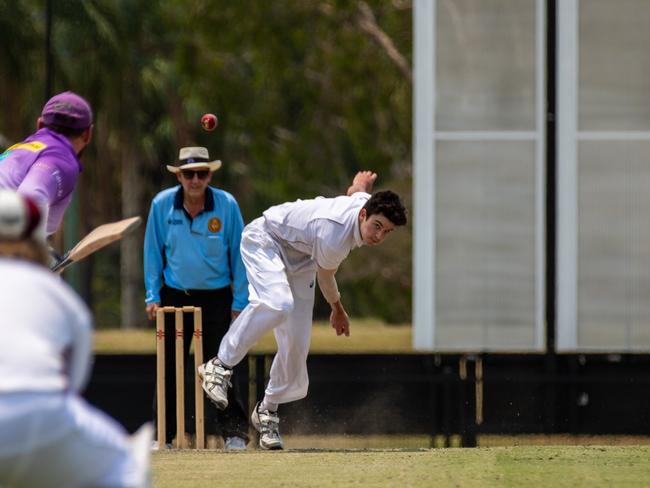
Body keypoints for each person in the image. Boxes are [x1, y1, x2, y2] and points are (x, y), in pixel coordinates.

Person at [198, 171, 408, 450]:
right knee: (278, 303)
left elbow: (354, 190)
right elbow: (326, 277)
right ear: (363, 216)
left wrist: (362, 183)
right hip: (267, 239)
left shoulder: (365, 203)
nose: (379, 236)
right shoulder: (335, 237)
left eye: (387, 232)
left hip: (302, 258)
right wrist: (338, 309)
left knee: (297, 344)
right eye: (377, 227)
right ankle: (219, 365)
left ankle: (267, 411)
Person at [0, 189, 151, 488]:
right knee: (126, 463)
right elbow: (73, 383)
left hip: (39, 411)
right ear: (34, 238)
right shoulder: (63, 300)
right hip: (42, 414)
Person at [143, 146, 250, 450]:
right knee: (168, 367)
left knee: (222, 367)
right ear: (179, 175)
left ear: (210, 175)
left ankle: (233, 433)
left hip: (216, 298)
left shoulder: (226, 205)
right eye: (189, 174)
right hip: (174, 295)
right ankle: (162, 435)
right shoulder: (161, 204)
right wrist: (152, 296)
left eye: (201, 173)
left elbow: (239, 255)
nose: (195, 180)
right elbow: (152, 252)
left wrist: (239, 302)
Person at [0, 91, 93, 237]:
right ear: (88, 134)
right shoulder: (61, 159)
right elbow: (30, 199)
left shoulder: (18, 150)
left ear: (40, 125)